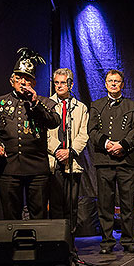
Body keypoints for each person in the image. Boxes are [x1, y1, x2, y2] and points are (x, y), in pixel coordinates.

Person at [0, 48, 60, 220]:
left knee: (39, 213)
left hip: (37, 167)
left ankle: (37, 246)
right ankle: (14, 245)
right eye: (19, 79)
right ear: (12, 81)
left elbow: (54, 122)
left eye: (28, 79)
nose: (23, 83)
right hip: (9, 166)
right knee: (11, 214)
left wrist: (35, 103)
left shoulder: (45, 103)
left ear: (33, 83)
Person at [88, 69, 134, 254]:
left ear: (122, 84)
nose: (113, 84)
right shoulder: (97, 105)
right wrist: (107, 144)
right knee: (105, 204)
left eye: (117, 81)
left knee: (127, 203)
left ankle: (128, 240)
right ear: (105, 84)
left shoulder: (132, 106)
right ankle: (107, 241)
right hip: (104, 161)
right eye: (110, 81)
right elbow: (92, 130)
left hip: (126, 161)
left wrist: (122, 145)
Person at [47, 68, 89, 233]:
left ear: (71, 84)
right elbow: (43, 133)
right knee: (55, 205)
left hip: (72, 162)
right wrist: (58, 149)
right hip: (53, 161)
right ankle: (57, 241)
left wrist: (70, 151)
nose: (59, 86)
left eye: (63, 82)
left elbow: (83, 133)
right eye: (56, 82)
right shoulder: (46, 104)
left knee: (71, 206)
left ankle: (70, 244)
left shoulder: (80, 107)